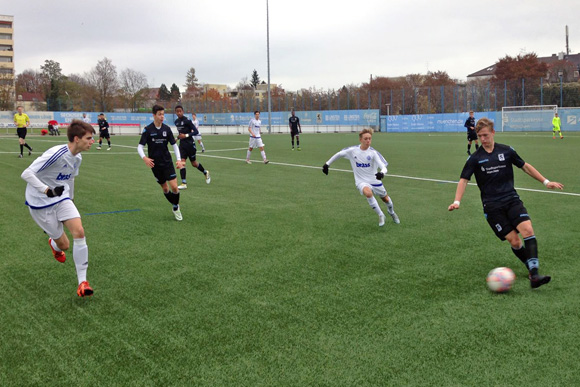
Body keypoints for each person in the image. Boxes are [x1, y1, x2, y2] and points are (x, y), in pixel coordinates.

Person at [448, 117, 564, 289]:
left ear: (493, 132)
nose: (483, 139)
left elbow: (525, 166)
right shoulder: (475, 158)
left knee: (528, 230)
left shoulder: (507, 151)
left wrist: (546, 182)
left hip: (511, 199)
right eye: (480, 136)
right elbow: (464, 179)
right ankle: (530, 267)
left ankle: (534, 275)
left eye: (486, 135)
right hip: (492, 206)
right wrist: (457, 201)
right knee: (515, 242)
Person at [21, 120, 96, 297]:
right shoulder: (57, 153)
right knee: (65, 245)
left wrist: (70, 200)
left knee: (79, 231)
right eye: (89, 138)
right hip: (39, 202)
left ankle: (83, 283)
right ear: (77, 139)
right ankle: (54, 244)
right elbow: (26, 173)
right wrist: (47, 190)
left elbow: (70, 179)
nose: (92, 141)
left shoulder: (78, 158)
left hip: (61, 198)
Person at [322, 128, 400, 226]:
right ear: (360, 140)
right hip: (361, 181)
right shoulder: (352, 151)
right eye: (366, 138)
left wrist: (382, 173)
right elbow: (339, 154)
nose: (368, 141)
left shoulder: (373, 153)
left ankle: (391, 212)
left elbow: (384, 167)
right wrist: (327, 164)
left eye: (370, 139)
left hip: (374, 180)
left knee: (386, 199)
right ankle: (380, 215)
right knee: (368, 193)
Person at [138, 105, 185, 221]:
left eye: (163, 114)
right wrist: (145, 158)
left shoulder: (167, 129)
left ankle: (175, 207)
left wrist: (179, 160)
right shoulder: (148, 130)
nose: (162, 117)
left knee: (174, 187)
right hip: (155, 165)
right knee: (165, 189)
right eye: (159, 114)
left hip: (167, 162)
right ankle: (175, 205)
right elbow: (139, 147)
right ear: (154, 115)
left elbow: (174, 145)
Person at [174, 106, 210, 190]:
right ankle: (184, 183)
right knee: (182, 162)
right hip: (182, 145)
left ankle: (205, 172)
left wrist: (186, 135)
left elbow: (196, 132)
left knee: (194, 163)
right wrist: (177, 138)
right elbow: (181, 133)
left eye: (180, 111)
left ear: (183, 111)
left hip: (190, 144)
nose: (179, 113)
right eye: (177, 111)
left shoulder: (188, 121)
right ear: (175, 112)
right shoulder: (176, 122)